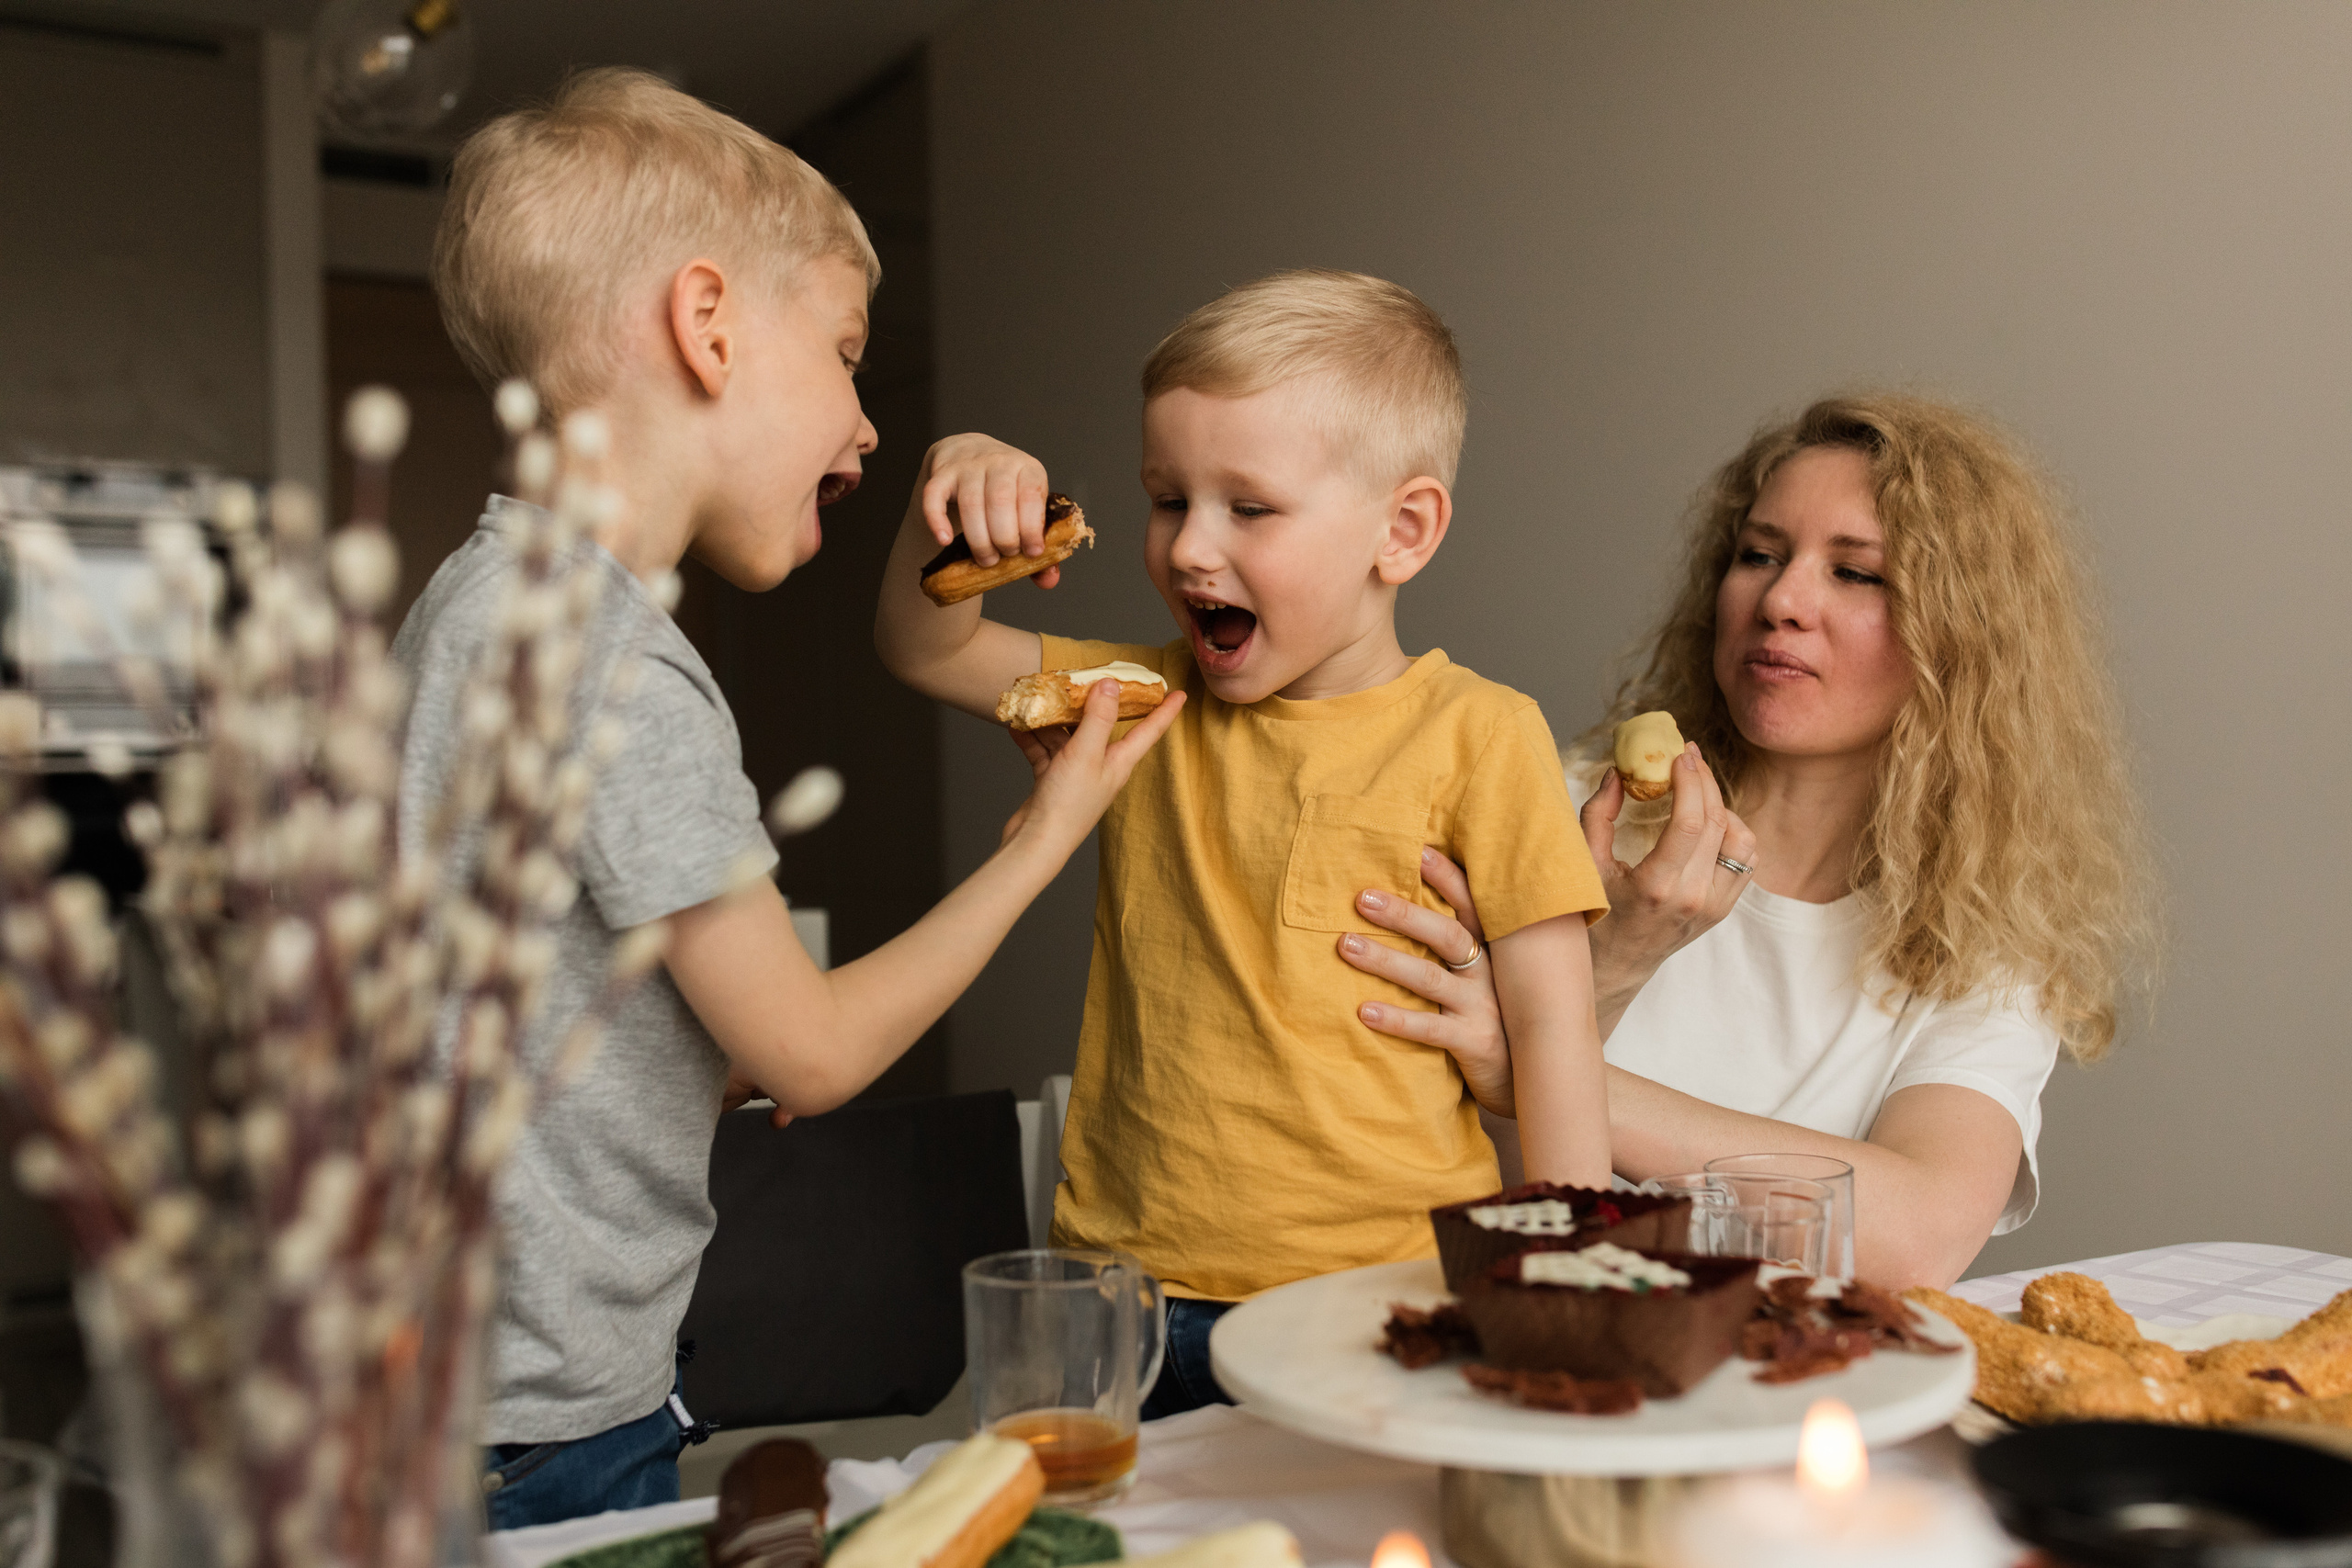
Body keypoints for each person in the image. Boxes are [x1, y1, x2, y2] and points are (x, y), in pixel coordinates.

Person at [398, 69, 1180, 1529]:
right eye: (843, 353)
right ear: (707, 327)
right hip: (532, 1419)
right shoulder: (615, 659)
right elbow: (814, 1055)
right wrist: (1044, 840)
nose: (868, 423)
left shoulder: (479, 606)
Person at [875, 270, 1611, 1417]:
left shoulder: (1481, 734)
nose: (1185, 549)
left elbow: (1555, 1029)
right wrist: (955, 486)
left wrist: (1567, 1288)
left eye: (1248, 509)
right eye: (1168, 500)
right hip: (1127, 1300)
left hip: (1382, 1298)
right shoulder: (1132, 695)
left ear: (1401, 532)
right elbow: (926, 650)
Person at [1339, 394, 2154, 1290]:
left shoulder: (1985, 927)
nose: (1780, 600)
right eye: (1759, 555)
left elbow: (1919, 1236)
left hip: (1783, 1394)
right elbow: (1442, 1179)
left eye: (1857, 574)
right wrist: (1607, 967)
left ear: (1963, 638)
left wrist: (1530, 1056)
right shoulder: (1541, 806)